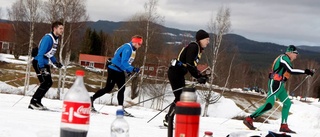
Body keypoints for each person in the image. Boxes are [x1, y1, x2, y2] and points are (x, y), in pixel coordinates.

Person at [243, 45, 314, 133]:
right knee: (269, 105)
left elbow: (287, 73)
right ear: (291, 53)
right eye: (295, 54)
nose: (296, 56)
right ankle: (249, 119)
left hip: (280, 85)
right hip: (275, 84)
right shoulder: (283, 58)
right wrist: (306, 71)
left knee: (287, 103)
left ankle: (284, 126)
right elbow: (291, 70)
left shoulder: (287, 59)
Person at [163, 29, 210, 126]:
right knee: (180, 97)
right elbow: (189, 64)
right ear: (201, 39)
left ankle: (170, 118)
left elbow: (192, 65)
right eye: (207, 39)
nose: (208, 42)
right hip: (175, 72)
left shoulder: (198, 48)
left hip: (179, 73)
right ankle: (169, 120)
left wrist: (201, 76)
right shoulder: (194, 47)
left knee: (181, 97)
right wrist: (198, 76)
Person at [91, 35, 142, 116]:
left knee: (121, 89)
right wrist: (133, 69)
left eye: (141, 43)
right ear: (134, 42)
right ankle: (91, 100)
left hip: (119, 70)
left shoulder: (133, 50)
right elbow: (124, 62)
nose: (140, 45)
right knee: (108, 88)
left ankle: (120, 110)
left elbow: (127, 63)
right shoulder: (128, 48)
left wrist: (128, 70)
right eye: (139, 43)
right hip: (114, 69)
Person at [28, 21, 64, 110]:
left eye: (62, 29)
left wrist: (55, 62)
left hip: (45, 62)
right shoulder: (48, 38)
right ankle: (33, 102)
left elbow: (49, 53)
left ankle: (38, 102)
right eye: (60, 28)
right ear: (54, 28)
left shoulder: (56, 39)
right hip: (39, 62)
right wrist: (42, 67)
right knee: (45, 82)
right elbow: (40, 54)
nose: (62, 30)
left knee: (48, 82)